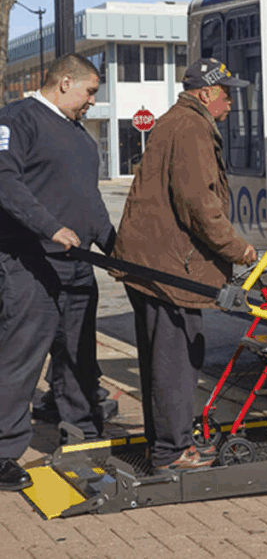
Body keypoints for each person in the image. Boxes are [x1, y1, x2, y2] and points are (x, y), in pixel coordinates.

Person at [112, 57, 258, 472]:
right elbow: (198, 204)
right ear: (207, 93)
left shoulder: (179, 122)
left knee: (166, 357)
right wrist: (237, 249)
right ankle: (170, 453)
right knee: (175, 360)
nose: (231, 102)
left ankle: (169, 444)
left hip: (157, 263)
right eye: (227, 93)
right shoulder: (191, 126)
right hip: (168, 268)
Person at [0, 54, 115, 491]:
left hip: (78, 269)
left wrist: (113, 245)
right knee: (19, 359)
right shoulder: (17, 121)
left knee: (79, 359)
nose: (91, 102)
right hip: (29, 264)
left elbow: (91, 203)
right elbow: (5, 183)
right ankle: (3, 452)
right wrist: (50, 226)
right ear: (65, 82)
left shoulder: (82, 139)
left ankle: (82, 434)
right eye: (89, 92)